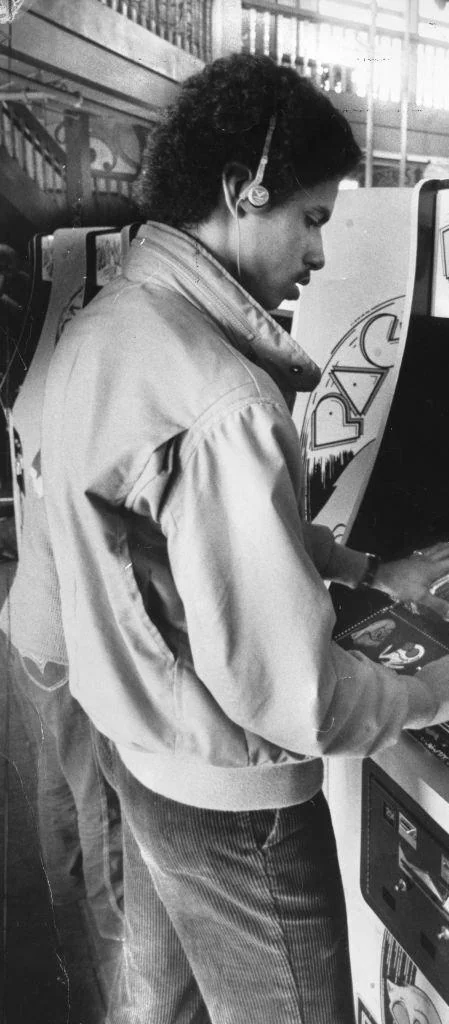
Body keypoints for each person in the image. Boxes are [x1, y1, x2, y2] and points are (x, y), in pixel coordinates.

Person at [40, 53, 449, 1024]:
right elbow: (289, 694)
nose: (320, 256)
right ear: (248, 194)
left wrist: (370, 569)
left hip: (142, 746)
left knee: (158, 999)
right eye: (314, 218)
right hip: (232, 804)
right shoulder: (224, 396)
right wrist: (430, 694)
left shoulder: (112, 324)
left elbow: (170, 534)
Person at [1, 236, 125, 952]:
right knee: (99, 800)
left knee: (56, 782)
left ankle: (66, 916)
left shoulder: (36, 374)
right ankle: (117, 949)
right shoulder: (87, 389)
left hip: (26, 619)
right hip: (65, 636)